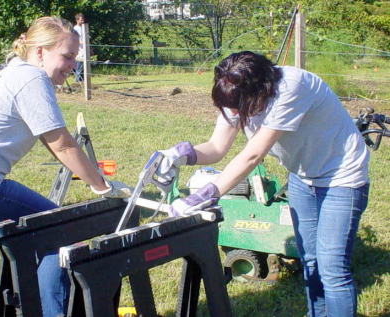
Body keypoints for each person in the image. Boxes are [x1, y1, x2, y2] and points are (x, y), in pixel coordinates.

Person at [0, 16, 131, 317]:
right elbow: (62, 144)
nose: (72, 65)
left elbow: (50, 138)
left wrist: (93, 177)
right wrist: (103, 186)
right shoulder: (31, 79)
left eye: (75, 57)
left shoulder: (14, 73)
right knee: (60, 233)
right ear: (40, 52)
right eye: (67, 56)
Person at [156, 51, 370, 317]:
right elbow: (216, 147)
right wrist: (180, 153)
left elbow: (253, 154)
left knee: (332, 268)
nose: (233, 114)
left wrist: (206, 194)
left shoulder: (291, 88)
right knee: (311, 260)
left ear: (260, 92)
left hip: (342, 177)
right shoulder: (236, 91)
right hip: (303, 178)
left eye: (237, 108)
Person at [72, 13, 85, 82]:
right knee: (78, 66)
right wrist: (83, 43)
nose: (82, 21)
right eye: (81, 20)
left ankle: (80, 79)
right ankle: (77, 80)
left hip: (84, 49)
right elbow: (76, 40)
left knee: (82, 66)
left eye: (83, 20)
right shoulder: (75, 28)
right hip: (79, 50)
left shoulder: (83, 28)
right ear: (77, 20)